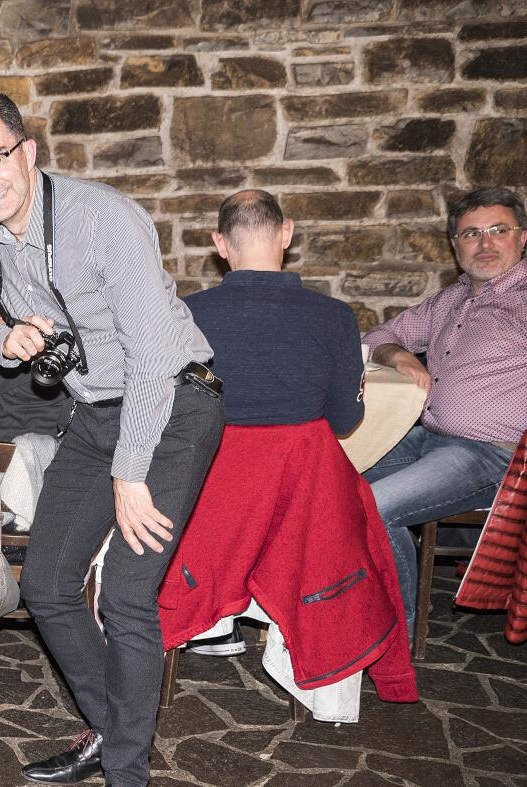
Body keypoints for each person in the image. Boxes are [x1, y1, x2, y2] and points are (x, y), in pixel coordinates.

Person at [0, 93, 225, 787]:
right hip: (94, 413)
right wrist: (10, 339)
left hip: (172, 406)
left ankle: (126, 772)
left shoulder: (102, 218)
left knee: (125, 596)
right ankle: (114, 732)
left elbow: (153, 357)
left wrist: (131, 473)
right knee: (45, 584)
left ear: (28, 152)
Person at [174, 189, 367, 654]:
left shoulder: (185, 315)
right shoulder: (335, 317)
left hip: (209, 500)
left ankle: (215, 614)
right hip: (298, 507)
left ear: (220, 243)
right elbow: (346, 419)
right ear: (287, 233)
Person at [362, 186, 527, 628]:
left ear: (522, 237)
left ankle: (392, 633)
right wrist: (400, 356)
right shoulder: (449, 299)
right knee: (327, 481)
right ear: (455, 245)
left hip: (490, 454)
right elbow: (375, 338)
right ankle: (339, 604)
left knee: (376, 507)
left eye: (498, 230)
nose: (485, 243)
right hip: (426, 437)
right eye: (471, 233)